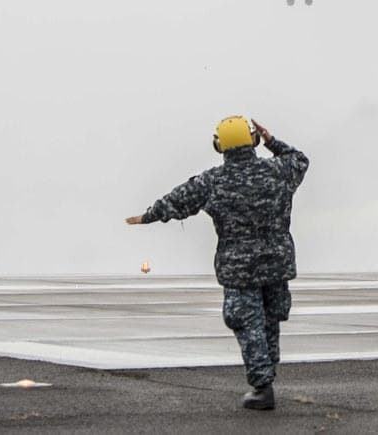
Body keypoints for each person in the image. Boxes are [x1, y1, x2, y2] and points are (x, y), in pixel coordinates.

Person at [125, 116, 309, 410]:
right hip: (276, 264)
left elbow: (178, 200)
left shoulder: (213, 181)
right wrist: (272, 140)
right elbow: (299, 159)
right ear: (253, 141)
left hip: (239, 269)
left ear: (219, 145)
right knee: (270, 321)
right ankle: (266, 377)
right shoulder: (279, 171)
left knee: (248, 324)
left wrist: (148, 215)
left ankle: (263, 387)